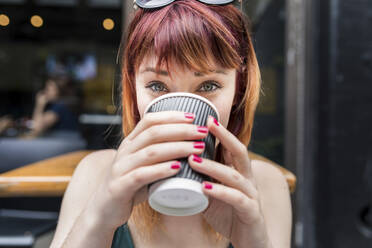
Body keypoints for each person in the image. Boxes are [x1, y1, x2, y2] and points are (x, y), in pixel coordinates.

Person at [50, 0, 292, 247]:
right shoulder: (96, 174)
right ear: (133, 87)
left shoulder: (265, 186)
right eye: (157, 86)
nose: (179, 112)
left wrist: (252, 242)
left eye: (208, 86)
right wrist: (98, 220)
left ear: (238, 90)